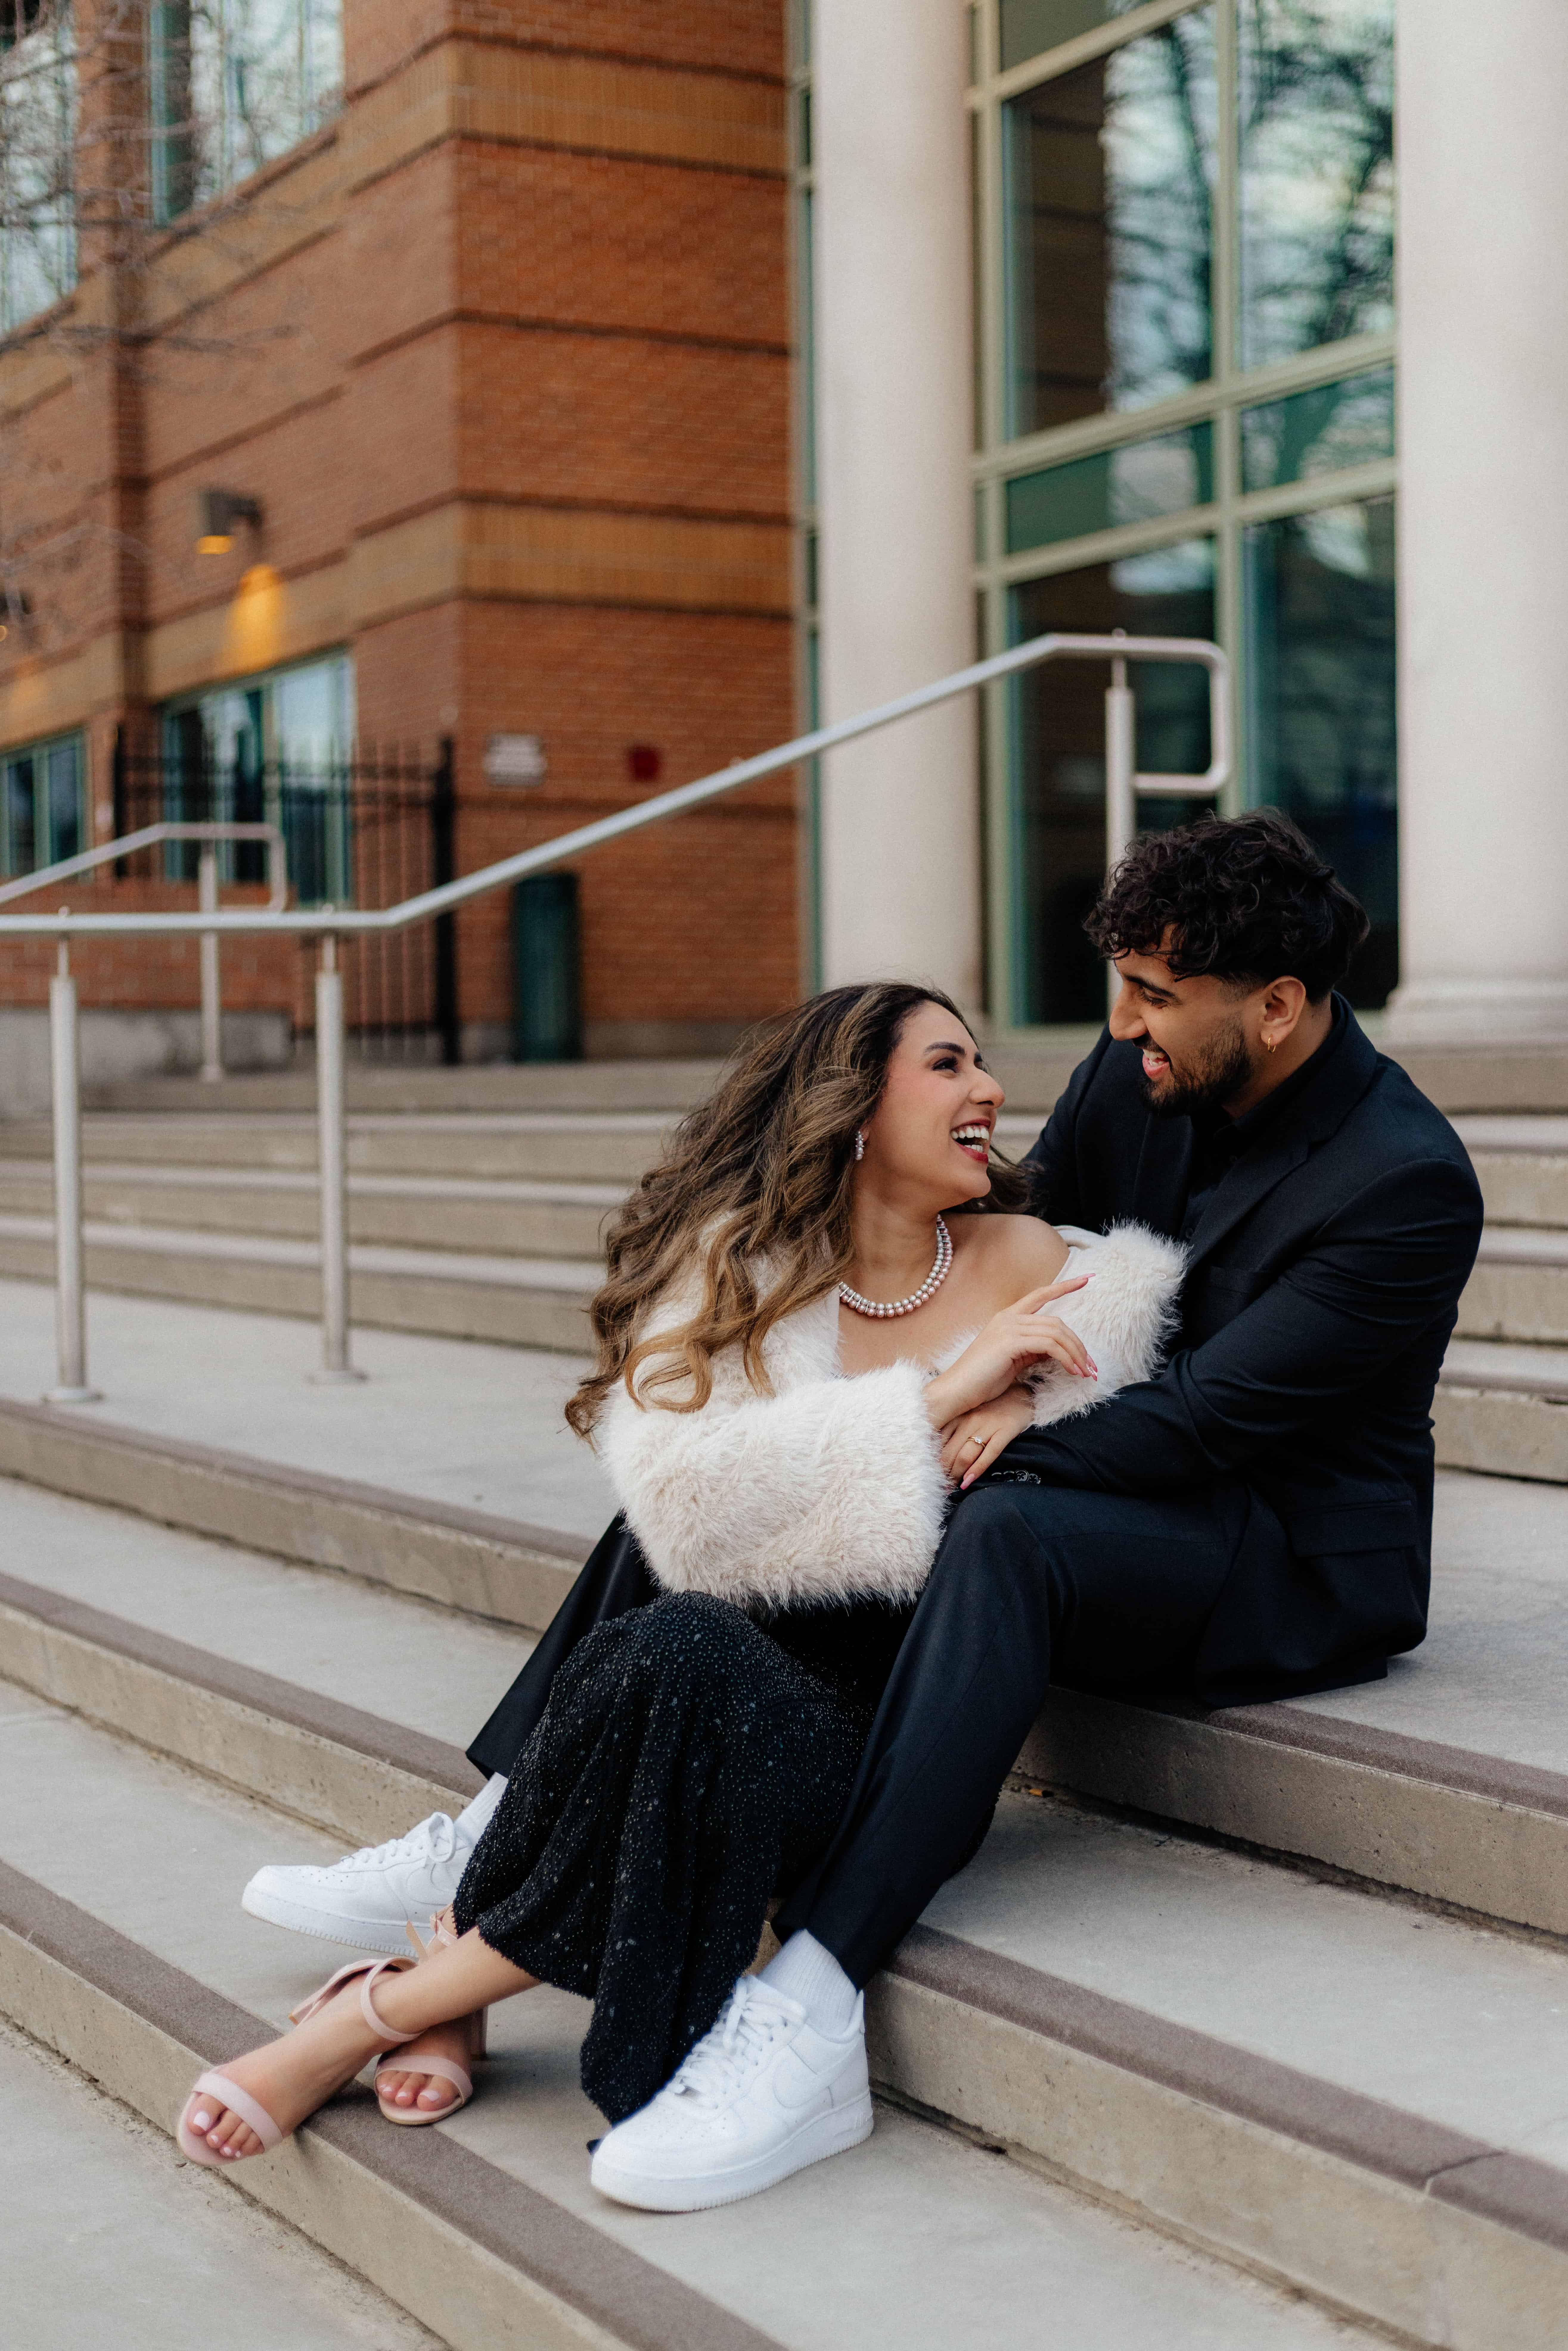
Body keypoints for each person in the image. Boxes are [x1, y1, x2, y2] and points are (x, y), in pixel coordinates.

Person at [235, 809, 1483, 2209]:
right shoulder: (1138, 1069)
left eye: (1152, 997)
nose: (1116, 1024)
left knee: (989, 1511)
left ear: (1273, 1006)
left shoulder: (1404, 1179)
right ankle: (505, 1819)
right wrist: (935, 1384)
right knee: (737, 1481)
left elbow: (1207, 1421)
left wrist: (988, 1416)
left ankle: (817, 1989)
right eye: (1119, 984)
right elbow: (1015, 1249)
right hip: (1104, 1469)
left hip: (1271, 1550)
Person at [195, 980, 1183, 2203]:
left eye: (981, 1062)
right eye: (947, 1064)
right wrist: (931, 1398)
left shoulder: (1052, 1271)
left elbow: (1051, 1505)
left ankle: (374, 2004)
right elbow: (683, 1509)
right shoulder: (744, 1272)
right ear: (855, 1111)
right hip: (702, 1674)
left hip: (878, 1732)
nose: (987, 1088)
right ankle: (429, 1971)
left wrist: (1017, 1402)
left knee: (682, 1660)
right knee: (673, 1637)